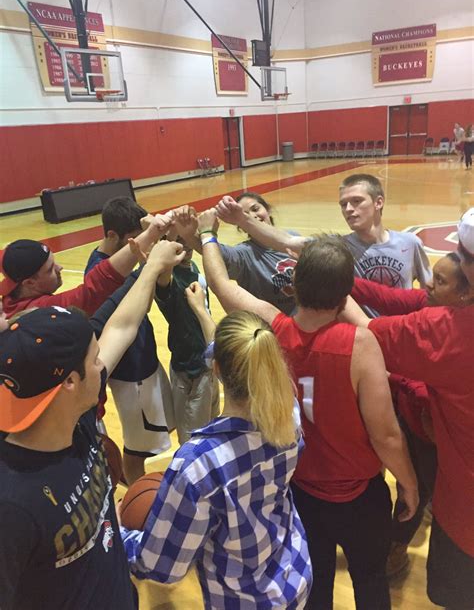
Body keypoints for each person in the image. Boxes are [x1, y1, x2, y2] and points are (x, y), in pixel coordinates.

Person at [197, 212, 418, 610]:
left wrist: (207, 234)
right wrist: (409, 483)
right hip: (360, 496)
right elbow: (385, 435)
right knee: (370, 582)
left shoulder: (272, 330)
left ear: (294, 284)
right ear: (346, 292)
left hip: (297, 492)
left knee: (315, 588)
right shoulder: (362, 345)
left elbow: (222, 285)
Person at [0, 239, 186, 610]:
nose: (102, 367)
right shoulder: (12, 506)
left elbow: (122, 326)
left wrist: (150, 267)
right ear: (69, 381)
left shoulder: (73, 414)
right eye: (95, 360)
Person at [121, 310, 312, 610]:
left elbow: (160, 566)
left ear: (217, 368)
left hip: (243, 601)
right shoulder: (287, 412)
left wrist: (118, 533)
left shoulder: (198, 464)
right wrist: (200, 311)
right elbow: (236, 354)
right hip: (294, 574)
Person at [340, 209, 474, 609]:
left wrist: (327, 284)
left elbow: (368, 334)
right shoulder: (442, 316)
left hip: (465, 513)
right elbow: (394, 298)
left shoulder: (451, 333)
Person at [214, 175, 432, 317]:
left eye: (356, 201)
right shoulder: (337, 247)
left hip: (402, 334)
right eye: (343, 204)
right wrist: (242, 219)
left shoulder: (410, 244)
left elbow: (430, 294)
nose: (348, 209)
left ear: (378, 202)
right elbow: (286, 242)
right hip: (362, 336)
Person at [85, 197, 174, 485]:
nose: (141, 245)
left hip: (144, 365)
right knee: (137, 450)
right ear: (112, 236)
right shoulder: (104, 274)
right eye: (134, 240)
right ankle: (137, 494)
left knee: (152, 437)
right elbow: (132, 316)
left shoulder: (111, 262)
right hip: (131, 375)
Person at [0, 213, 171, 318]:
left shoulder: (11, 300)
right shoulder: (36, 312)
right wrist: (150, 234)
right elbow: (92, 291)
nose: (60, 268)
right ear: (29, 283)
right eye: (50, 269)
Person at [173, 192, 299, 315]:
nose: (253, 216)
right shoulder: (244, 254)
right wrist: (189, 234)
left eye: (255, 209)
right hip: (272, 328)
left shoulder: (292, 237)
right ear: (240, 226)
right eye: (244, 214)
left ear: (267, 210)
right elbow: (213, 252)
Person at [155, 236, 220, 445]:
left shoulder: (192, 266)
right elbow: (162, 278)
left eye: (187, 238)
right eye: (178, 240)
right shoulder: (168, 277)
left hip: (208, 364)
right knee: (194, 442)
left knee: (212, 431)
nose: (186, 245)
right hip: (190, 371)